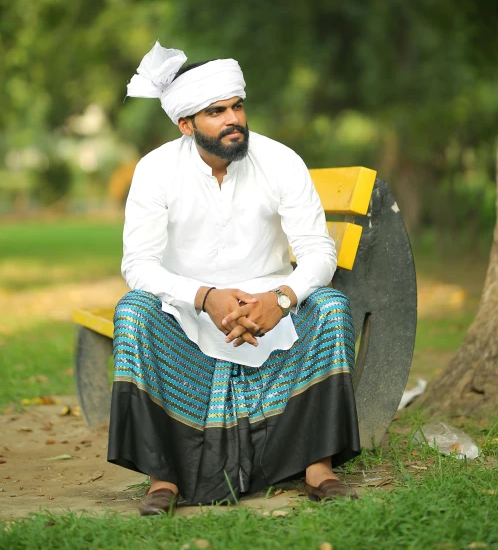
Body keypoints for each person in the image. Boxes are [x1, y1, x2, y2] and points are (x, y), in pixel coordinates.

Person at [108, 42, 361, 515]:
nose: (233, 119)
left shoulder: (280, 160)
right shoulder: (156, 169)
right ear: (186, 124)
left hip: (275, 317)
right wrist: (205, 296)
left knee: (330, 306)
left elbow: (317, 251)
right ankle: (163, 477)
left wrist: (280, 298)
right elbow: (138, 264)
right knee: (133, 311)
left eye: (237, 106)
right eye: (216, 111)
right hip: (187, 318)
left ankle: (318, 466)